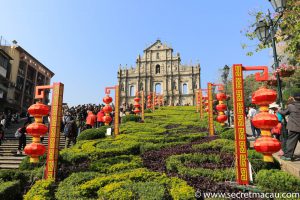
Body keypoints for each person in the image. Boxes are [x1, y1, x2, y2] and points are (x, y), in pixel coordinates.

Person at [279, 93, 300, 161]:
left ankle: (288, 156)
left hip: (294, 127)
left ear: (294, 98)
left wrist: (279, 110)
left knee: (290, 142)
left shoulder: (291, 106)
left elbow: (284, 113)